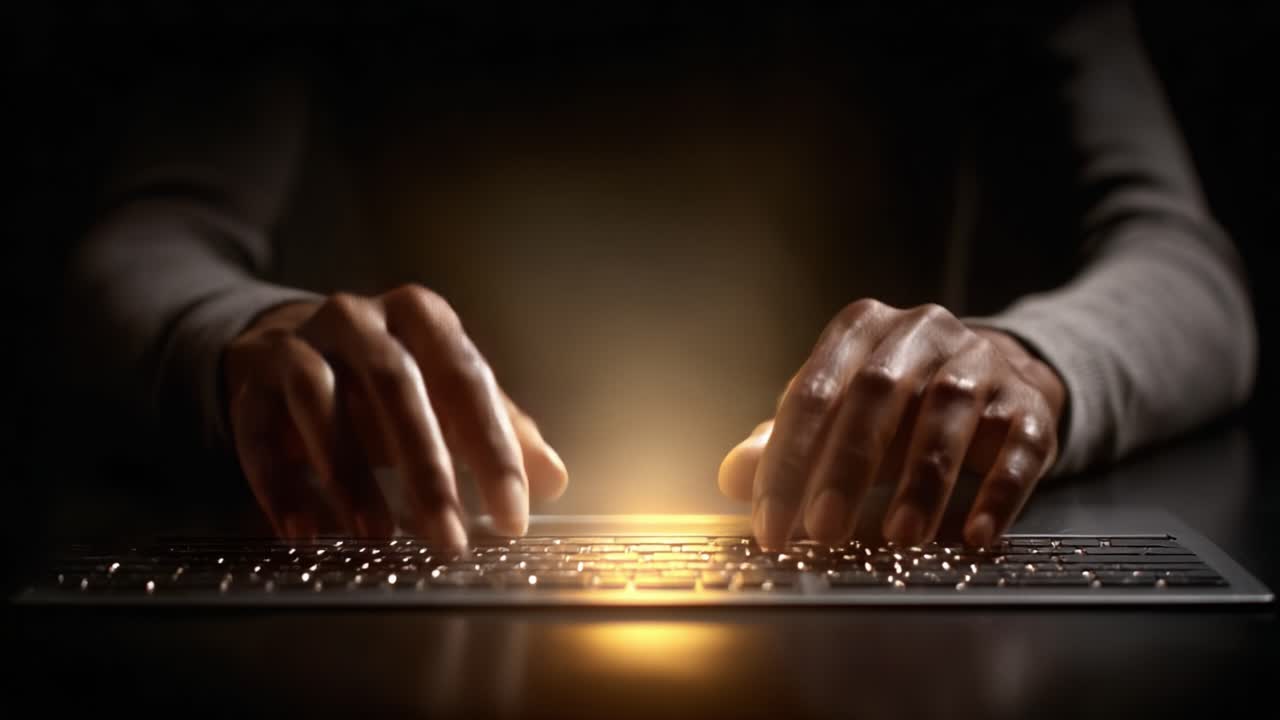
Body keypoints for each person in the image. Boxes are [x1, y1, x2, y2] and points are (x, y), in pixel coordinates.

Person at [52, 0, 1255, 551]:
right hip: (448, 534)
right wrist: (248, 337)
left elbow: (1184, 264)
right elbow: (140, 238)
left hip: (856, 551)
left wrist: (1032, 365)